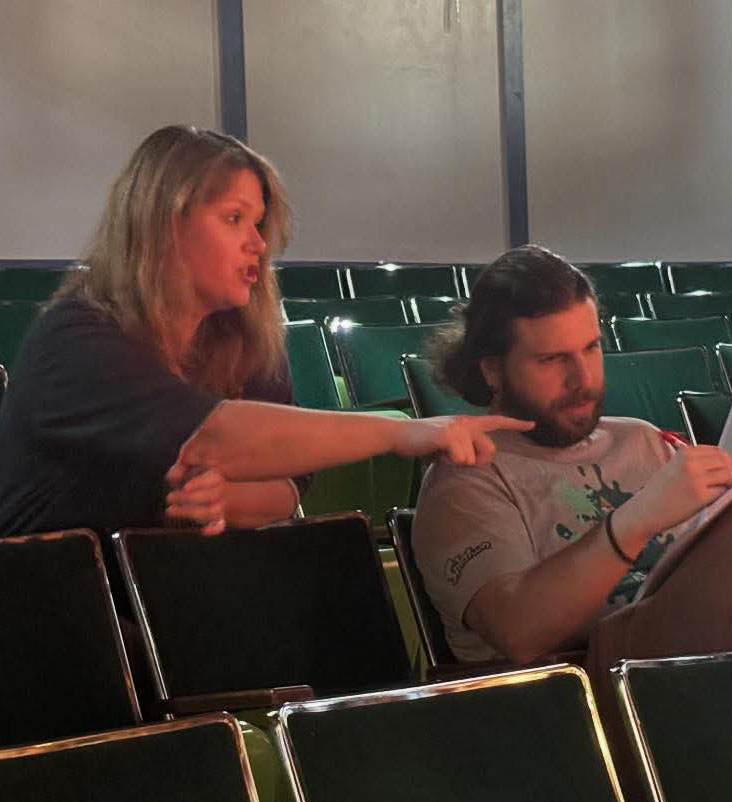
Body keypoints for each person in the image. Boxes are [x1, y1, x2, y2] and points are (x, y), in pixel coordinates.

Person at [0, 125, 530, 543]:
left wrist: (225, 500)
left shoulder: (242, 342)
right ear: (164, 224)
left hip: (166, 602)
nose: (258, 243)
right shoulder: (77, 337)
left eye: (258, 224)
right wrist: (401, 433)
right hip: (48, 609)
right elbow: (214, 436)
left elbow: (287, 490)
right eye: (234, 218)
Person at [413, 244, 732, 677]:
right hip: (597, 672)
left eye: (591, 348)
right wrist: (638, 518)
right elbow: (518, 632)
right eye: (552, 359)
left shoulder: (641, 438)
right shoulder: (466, 479)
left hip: (714, 646)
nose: (582, 379)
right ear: (492, 370)